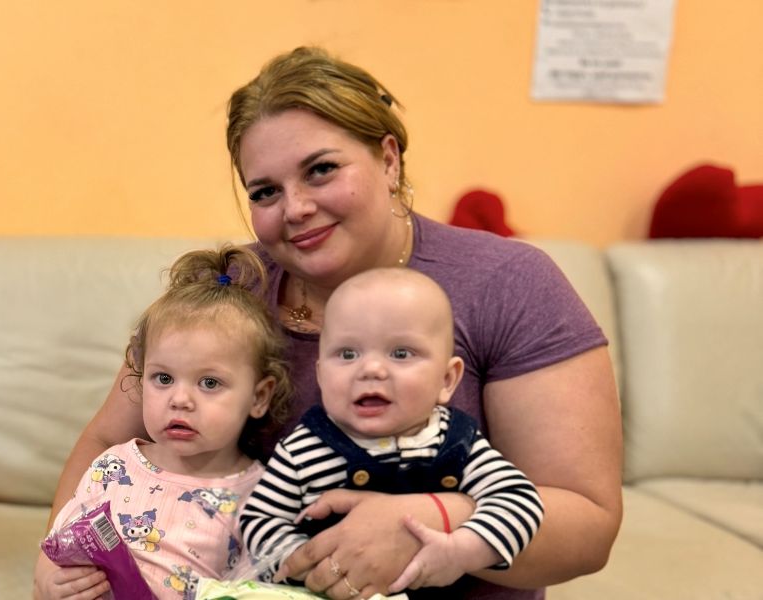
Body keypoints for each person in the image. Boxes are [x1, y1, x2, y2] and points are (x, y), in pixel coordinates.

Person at [45, 46, 623, 600]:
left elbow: (589, 526)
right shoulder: (228, 287)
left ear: (389, 159)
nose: (295, 208)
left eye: (321, 170)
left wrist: (434, 520)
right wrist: (56, 562)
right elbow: (108, 440)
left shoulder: (508, 283)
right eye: (266, 191)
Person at [240, 267, 545, 598]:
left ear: (447, 380)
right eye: (347, 354)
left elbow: (519, 499)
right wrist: (305, 562)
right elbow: (258, 519)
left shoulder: (457, 442)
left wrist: (461, 550)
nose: (371, 369)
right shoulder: (304, 448)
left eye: (401, 353)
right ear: (321, 375)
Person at [34, 246, 292, 599]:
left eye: (209, 383)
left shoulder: (260, 497)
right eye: (164, 379)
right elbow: (58, 550)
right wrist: (51, 581)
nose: (180, 399)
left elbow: (258, 590)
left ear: (259, 396)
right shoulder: (111, 468)